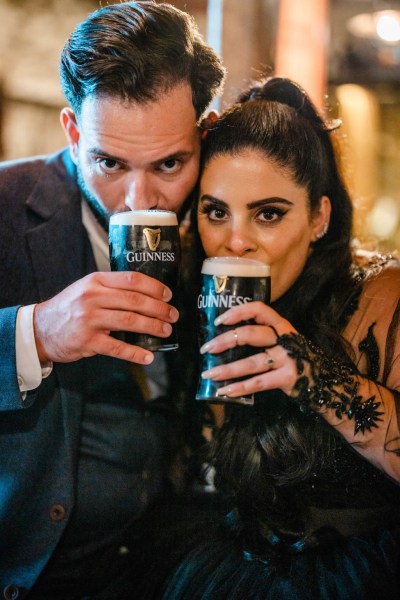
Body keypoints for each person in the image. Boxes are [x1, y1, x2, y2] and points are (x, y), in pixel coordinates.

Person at [0, 1, 225, 598]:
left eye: (170, 163)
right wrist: (38, 332)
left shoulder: (222, 220)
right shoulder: (4, 205)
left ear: (203, 137)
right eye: (109, 162)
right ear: (73, 131)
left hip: (164, 566)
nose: (139, 199)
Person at [154, 77, 400, 599]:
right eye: (216, 211)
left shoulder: (381, 296)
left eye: (269, 214)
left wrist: (313, 377)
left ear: (318, 218)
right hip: (220, 564)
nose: (236, 240)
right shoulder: (189, 294)